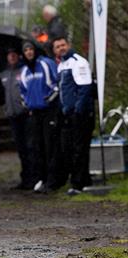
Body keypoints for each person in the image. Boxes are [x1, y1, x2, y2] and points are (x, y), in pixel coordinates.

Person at [53, 36, 94, 196]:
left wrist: (78, 110)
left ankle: (78, 183)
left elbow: (85, 88)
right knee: (69, 148)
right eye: (57, 47)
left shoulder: (79, 62)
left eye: (63, 45)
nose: (61, 48)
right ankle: (82, 179)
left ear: (68, 45)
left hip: (80, 114)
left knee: (79, 149)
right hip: (68, 113)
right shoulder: (62, 65)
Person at [19, 41, 59, 193]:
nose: (29, 52)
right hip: (34, 113)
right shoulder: (24, 71)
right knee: (37, 147)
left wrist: (49, 100)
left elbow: (56, 84)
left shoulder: (46, 64)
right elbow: (22, 90)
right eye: (26, 50)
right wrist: (26, 104)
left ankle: (52, 180)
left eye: (30, 49)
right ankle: (41, 179)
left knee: (50, 146)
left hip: (48, 111)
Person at [0, 48, 35, 190]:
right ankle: (25, 177)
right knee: (20, 148)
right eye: (9, 54)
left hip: (25, 114)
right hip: (12, 115)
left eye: (14, 53)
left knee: (30, 147)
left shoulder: (24, 71)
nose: (12, 56)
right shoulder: (3, 74)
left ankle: (33, 177)